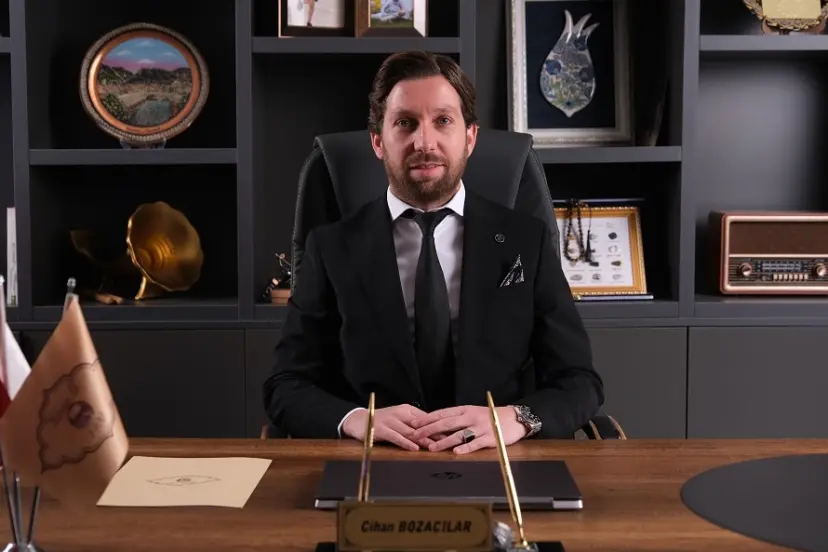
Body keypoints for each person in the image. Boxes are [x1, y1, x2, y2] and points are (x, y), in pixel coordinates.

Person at [263, 50, 603, 455]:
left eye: (442, 121)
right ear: (378, 141)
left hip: (497, 457)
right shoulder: (331, 247)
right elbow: (285, 386)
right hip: (373, 458)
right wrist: (357, 420)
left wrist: (515, 419)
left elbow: (579, 381)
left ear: (470, 137)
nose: (424, 142)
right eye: (405, 123)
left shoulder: (525, 241)